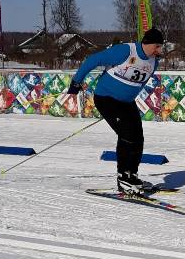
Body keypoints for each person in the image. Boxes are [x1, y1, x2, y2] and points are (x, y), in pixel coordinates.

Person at [67, 28, 165, 195]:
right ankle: (123, 178)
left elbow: (138, 83)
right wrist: (77, 82)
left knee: (138, 137)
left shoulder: (153, 62)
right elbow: (93, 60)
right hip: (106, 98)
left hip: (126, 103)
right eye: (157, 46)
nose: (159, 50)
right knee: (127, 134)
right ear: (147, 43)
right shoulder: (126, 50)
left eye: (160, 47)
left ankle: (132, 176)